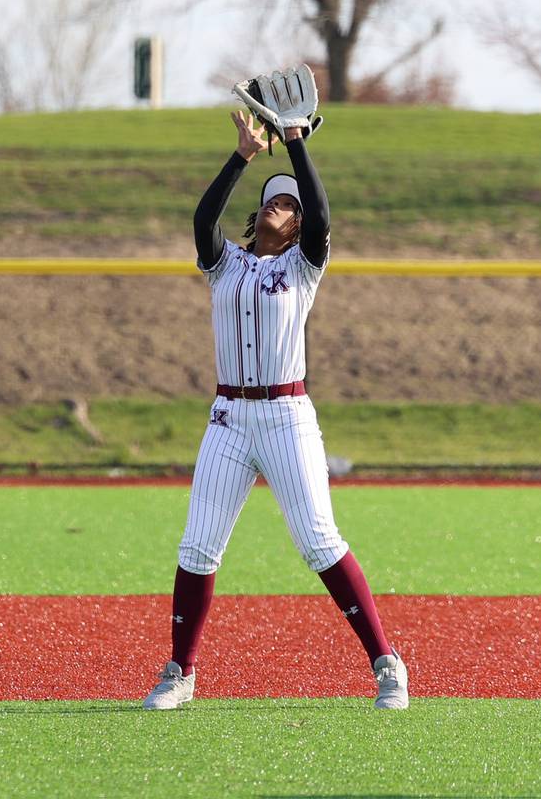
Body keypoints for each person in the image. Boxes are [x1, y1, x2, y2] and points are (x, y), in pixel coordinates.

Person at [143, 109, 408, 711]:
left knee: (318, 540)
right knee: (197, 547)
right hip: (229, 419)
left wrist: (294, 145)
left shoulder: (303, 266)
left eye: (288, 204)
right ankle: (180, 673)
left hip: (287, 416)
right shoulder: (225, 265)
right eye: (270, 200)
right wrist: (242, 155)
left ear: (299, 224)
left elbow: (323, 212)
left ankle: (386, 662)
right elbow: (202, 219)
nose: (277, 207)